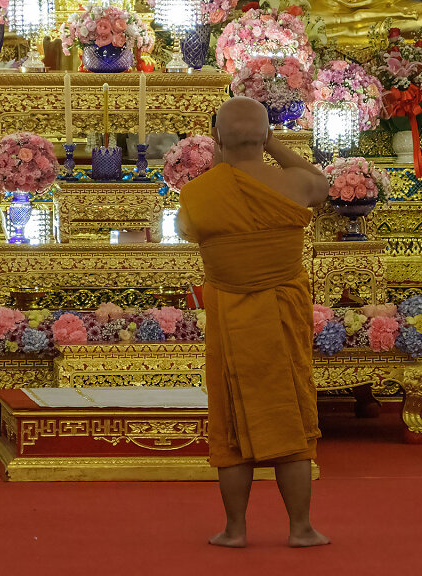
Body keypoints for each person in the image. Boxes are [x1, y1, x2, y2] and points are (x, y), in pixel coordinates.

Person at [176, 96, 331, 549]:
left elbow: (188, 228)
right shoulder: (295, 186)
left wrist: (227, 160)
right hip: (282, 319)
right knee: (290, 414)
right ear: (264, 136)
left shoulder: (199, 195)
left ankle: (235, 529)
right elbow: (322, 184)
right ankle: (301, 528)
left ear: (218, 138)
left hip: (231, 320)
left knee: (231, 417)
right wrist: (273, 145)